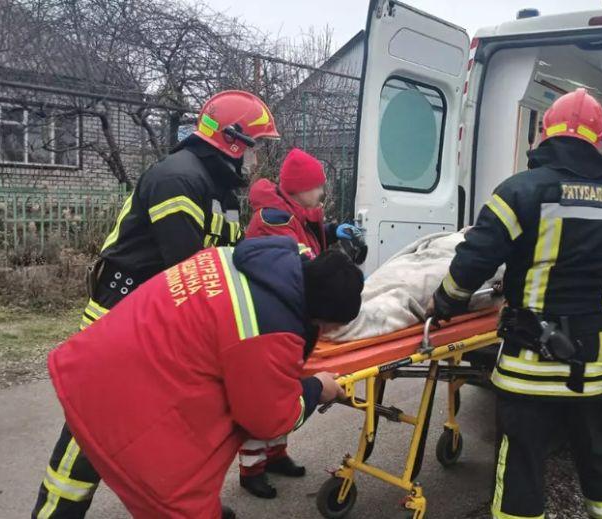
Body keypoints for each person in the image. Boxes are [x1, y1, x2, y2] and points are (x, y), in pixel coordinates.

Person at [32, 90, 280, 519]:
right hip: (121, 315)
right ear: (234, 141)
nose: (257, 159)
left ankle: (186, 501)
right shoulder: (178, 178)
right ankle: (55, 513)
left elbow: (225, 258)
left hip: (158, 317)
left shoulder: (218, 188)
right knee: (91, 428)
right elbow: (185, 265)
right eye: (257, 147)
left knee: (163, 421)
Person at [45, 237, 364, 518]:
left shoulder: (248, 260)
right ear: (319, 313)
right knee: (171, 497)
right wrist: (317, 388)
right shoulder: (268, 328)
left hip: (100, 362)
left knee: (71, 476)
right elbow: (267, 419)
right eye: (326, 326)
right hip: (126, 396)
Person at [430, 88, 602, 519]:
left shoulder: (521, 191)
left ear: (545, 134)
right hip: (597, 368)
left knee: (522, 465)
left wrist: (445, 302)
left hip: (533, 363)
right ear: (599, 141)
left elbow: (474, 260)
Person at [238, 147, 364, 498]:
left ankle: (275, 454)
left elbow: (308, 232)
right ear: (298, 189)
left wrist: (332, 228)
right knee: (266, 395)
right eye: (317, 187)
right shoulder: (273, 221)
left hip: (294, 310)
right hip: (271, 319)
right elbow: (298, 260)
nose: (322, 193)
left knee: (287, 386)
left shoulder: (292, 210)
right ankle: (251, 469)